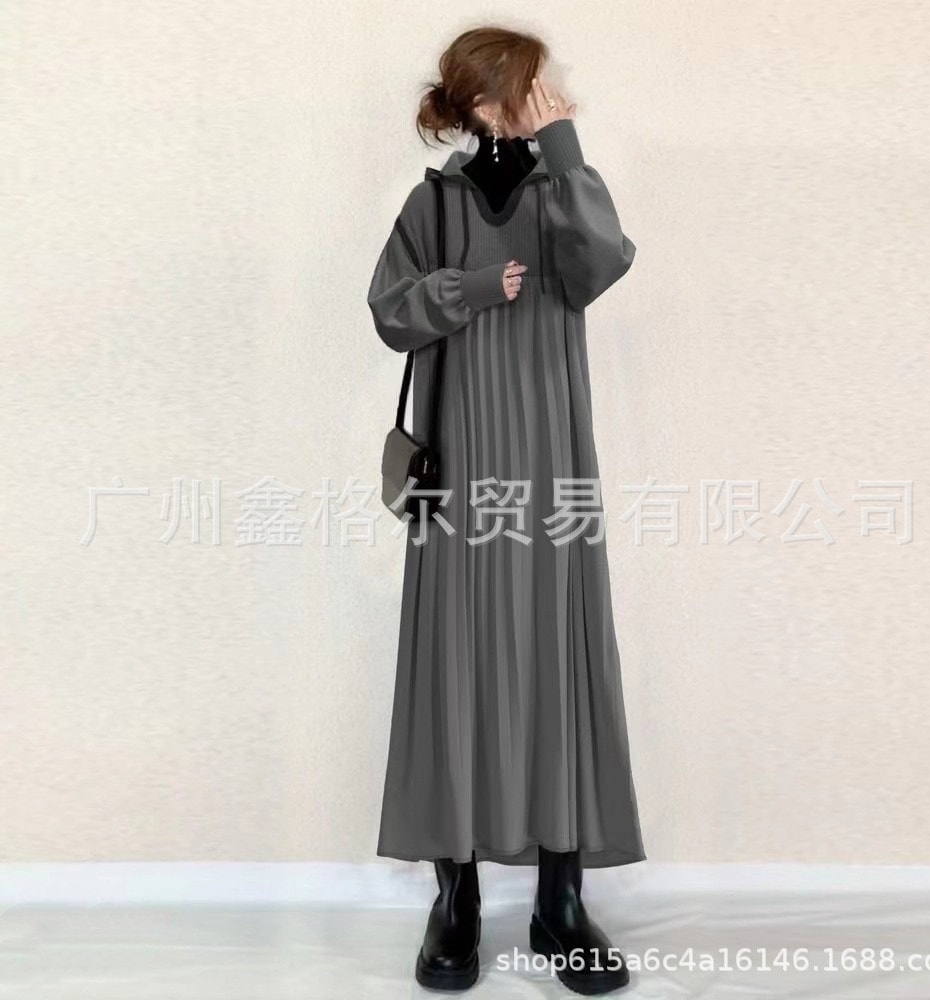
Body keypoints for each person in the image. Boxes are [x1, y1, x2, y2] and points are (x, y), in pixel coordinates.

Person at [366, 25, 644, 995]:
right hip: (459, 481)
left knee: (557, 660)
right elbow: (391, 311)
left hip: (551, 471)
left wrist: (564, 150)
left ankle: (561, 900)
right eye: (536, 84)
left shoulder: (563, 191)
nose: (554, 91)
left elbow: (600, 263)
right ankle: (458, 899)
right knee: (456, 666)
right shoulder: (434, 203)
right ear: (489, 100)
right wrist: (472, 287)